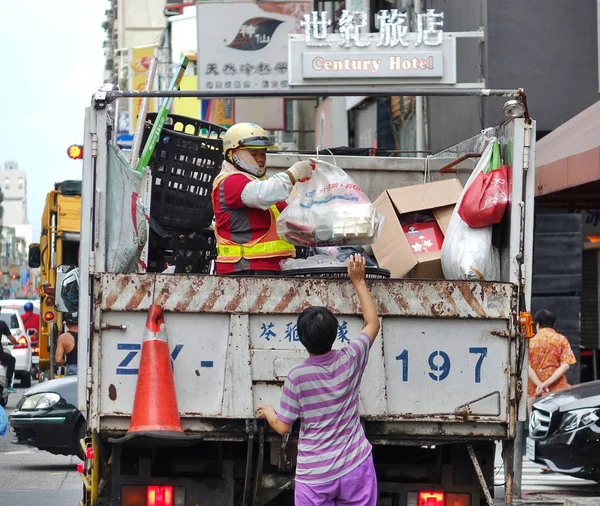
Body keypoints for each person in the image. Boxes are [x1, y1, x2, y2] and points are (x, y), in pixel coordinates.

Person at [257, 254, 380, 506]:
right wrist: (358, 281)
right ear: (336, 334)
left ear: (301, 339)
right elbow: (372, 323)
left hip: (315, 476)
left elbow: (283, 427)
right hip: (355, 464)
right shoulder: (351, 357)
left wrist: (269, 412)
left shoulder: (297, 377)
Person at [212, 122, 314, 275]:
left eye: (263, 153)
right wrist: (292, 174)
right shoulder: (230, 182)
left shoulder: (259, 182)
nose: (260, 159)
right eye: (253, 154)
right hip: (245, 270)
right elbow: (261, 194)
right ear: (233, 154)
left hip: (270, 268)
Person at [528, 308, 577, 473]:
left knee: (537, 427)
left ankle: (540, 458)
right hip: (557, 390)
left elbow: (525, 366)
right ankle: (552, 462)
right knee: (557, 428)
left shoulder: (530, 341)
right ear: (554, 324)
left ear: (537, 324)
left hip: (533, 391)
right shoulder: (561, 340)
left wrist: (539, 384)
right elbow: (565, 365)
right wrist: (548, 383)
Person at [0, 312, 18, 392]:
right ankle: (8, 385)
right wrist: (15, 342)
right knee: (11, 360)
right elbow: (12, 339)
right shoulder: (2, 324)